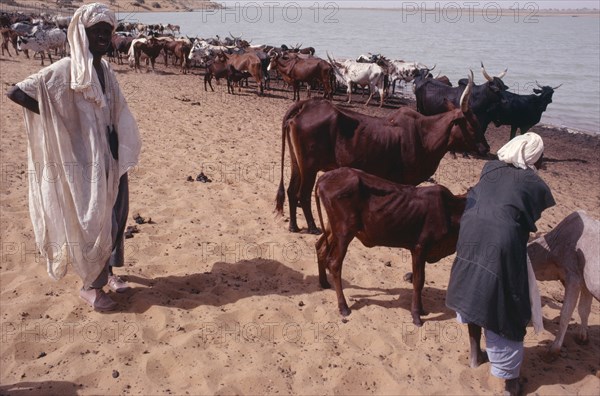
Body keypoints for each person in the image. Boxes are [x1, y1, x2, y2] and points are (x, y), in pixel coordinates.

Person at [6, 3, 141, 311]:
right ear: (82, 34)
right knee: (92, 219)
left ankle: (107, 272)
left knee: (115, 215)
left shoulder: (104, 69)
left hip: (111, 156)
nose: (105, 36)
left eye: (108, 31)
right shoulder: (66, 68)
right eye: (97, 31)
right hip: (84, 161)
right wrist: (61, 123)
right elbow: (17, 92)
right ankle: (90, 288)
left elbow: (115, 109)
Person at [445, 132, 555, 396]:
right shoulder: (535, 184)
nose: (541, 163)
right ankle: (510, 384)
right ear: (532, 158)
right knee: (508, 305)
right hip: (502, 243)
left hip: (469, 231)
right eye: (539, 158)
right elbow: (527, 216)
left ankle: (475, 356)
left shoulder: (490, 166)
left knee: (472, 292)